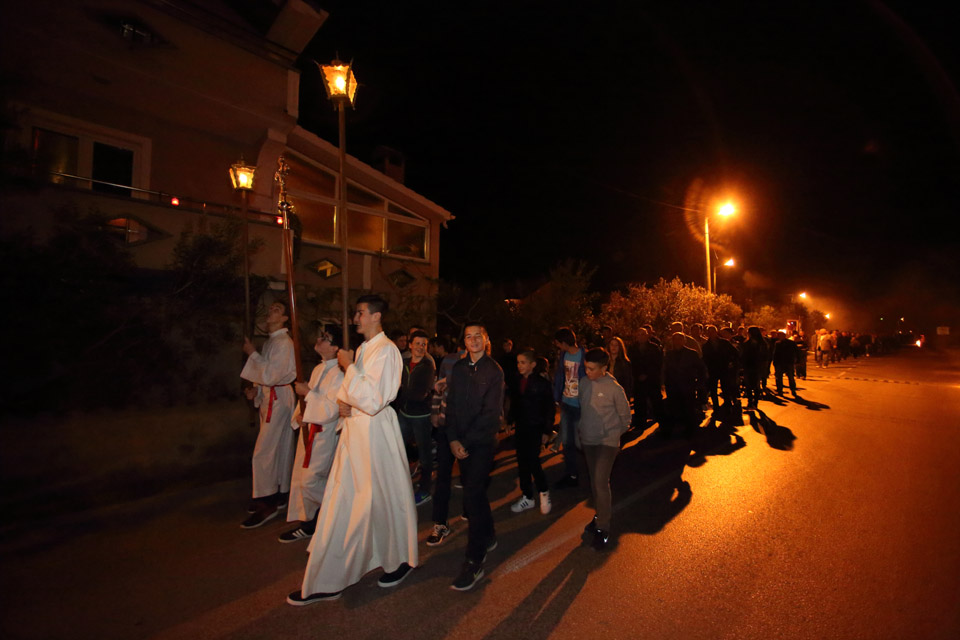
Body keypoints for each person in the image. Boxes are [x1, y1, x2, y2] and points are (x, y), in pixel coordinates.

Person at [288, 294, 417, 605]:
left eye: (360, 313)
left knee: (376, 499)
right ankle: (342, 569)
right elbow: (353, 393)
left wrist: (348, 368)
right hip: (356, 432)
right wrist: (345, 403)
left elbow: (374, 398)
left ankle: (392, 559)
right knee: (351, 500)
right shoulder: (362, 350)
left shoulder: (386, 351)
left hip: (374, 435)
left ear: (376, 316)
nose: (356, 318)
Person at [444, 322, 504, 591]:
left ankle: (474, 558)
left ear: (486, 338)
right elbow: (452, 405)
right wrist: (452, 438)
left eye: (477, 335)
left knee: (471, 496)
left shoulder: (494, 371)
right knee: (475, 494)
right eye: (468, 337)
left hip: (481, 443)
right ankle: (488, 534)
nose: (473, 340)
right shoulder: (458, 368)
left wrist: (464, 441)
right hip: (461, 442)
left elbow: (491, 414)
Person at [280, 325, 344, 543]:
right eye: (321, 336)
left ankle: (338, 514)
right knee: (301, 478)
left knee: (311, 480)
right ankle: (309, 524)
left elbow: (331, 409)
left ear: (336, 347)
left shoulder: (340, 374)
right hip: (308, 431)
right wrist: (300, 415)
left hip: (324, 435)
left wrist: (308, 394)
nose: (320, 339)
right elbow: (308, 398)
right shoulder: (319, 369)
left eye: (326, 338)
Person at [240, 300, 297, 529]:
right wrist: (256, 389)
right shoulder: (273, 341)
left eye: (277, 310)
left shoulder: (283, 343)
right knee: (280, 448)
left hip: (278, 398)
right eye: (271, 308)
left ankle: (267, 500)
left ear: (284, 319)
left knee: (264, 451)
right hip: (273, 396)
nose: (271, 312)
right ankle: (281, 492)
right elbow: (267, 374)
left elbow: (273, 374)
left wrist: (252, 354)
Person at [578, 348, 632, 549]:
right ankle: (599, 514)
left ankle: (603, 527)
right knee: (594, 481)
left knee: (601, 481)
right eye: (586, 368)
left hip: (607, 443)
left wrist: (612, 433)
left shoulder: (614, 389)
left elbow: (626, 417)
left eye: (592, 369)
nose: (587, 372)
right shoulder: (583, 383)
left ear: (604, 368)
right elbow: (581, 409)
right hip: (588, 441)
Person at [509, 349, 554, 515]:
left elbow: (549, 408)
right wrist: (510, 419)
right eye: (518, 362)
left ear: (532, 365)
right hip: (521, 427)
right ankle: (527, 496)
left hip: (536, 427)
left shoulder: (542, 384)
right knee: (522, 463)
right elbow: (515, 402)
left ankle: (544, 492)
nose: (520, 366)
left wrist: (547, 431)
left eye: (523, 362)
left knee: (533, 461)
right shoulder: (516, 380)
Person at [397, 329, 436, 506]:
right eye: (418, 343)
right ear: (410, 345)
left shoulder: (428, 366)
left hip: (421, 416)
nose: (421, 347)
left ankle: (424, 489)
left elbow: (420, 393)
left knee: (424, 453)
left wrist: (399, 393)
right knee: (398, 450)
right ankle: (400, 485)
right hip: (404, 414)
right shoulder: (403, 362)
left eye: (424, 344)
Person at [552, 327, 586, 489]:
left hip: (581, 405)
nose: (557, 346)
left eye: (558, 343)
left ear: (564, 342)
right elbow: (560, 375)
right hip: (567, 402)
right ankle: (571, 474)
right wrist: (557, 396)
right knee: (567, 442)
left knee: (581, 442)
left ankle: (594, 470)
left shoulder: (584, 355)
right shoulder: (563, 355)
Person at [661, 332, 708, 437]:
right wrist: (664, 382)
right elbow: (665, 369)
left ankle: (690, 429)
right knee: (674, 407)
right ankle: (673, 429)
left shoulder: (692, 353)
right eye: (675, 339)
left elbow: (701, 368)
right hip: (672, 385)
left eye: (679, 339)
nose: (677, 342)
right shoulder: (669, 354)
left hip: (687, 384)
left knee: (688, 407)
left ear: (684, 341)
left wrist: (699, 382)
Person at [628, 326, 663, 428]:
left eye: (643, 334)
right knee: (639, 402)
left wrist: (647, 374)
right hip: (638, 380)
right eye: (638, 334)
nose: (640, 337)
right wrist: (637, 375)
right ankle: (640, 423)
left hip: (652, 379)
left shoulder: (654, 348)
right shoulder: (632, 348)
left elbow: (657, 364)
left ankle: (661, 423)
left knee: (656, 402)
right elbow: (631, 363)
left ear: (647, 335)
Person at [702, 325, 740, 416]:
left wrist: (732, 363)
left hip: (724, 369)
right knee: (713, 390)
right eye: (709, 332)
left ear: (716, 332)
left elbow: (735, 353)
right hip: (712, 370)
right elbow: (705, 359)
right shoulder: (706, 346)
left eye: (713, 331)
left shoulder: (724, 343)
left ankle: (728, 405)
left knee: (725, 388)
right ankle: (716, 407)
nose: (711, 333)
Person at [741, 326, 768, 410]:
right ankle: (752, 402)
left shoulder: (760, 343)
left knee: (753, 385)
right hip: (751, 366)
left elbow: (764, 356)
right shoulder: (752, 342)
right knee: (751, 385)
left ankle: (753, 402)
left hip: (755, 366)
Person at [607, 336, 634, 406]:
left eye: (616, 345)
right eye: (612, 344)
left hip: (619, 394)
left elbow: (627, 381)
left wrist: (627, 397)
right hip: (606, 394)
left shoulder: (624, 363)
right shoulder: (605, 362)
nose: (614, 347)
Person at [772, 331, 799, 396]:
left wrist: (775, 362)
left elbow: (775, 354)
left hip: (783, 362)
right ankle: (790, 389)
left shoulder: (779, 343)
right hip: (786, 362)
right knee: (788, 376)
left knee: (782, 376)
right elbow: (797, 352)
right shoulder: (790, 343)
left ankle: (782, 390)